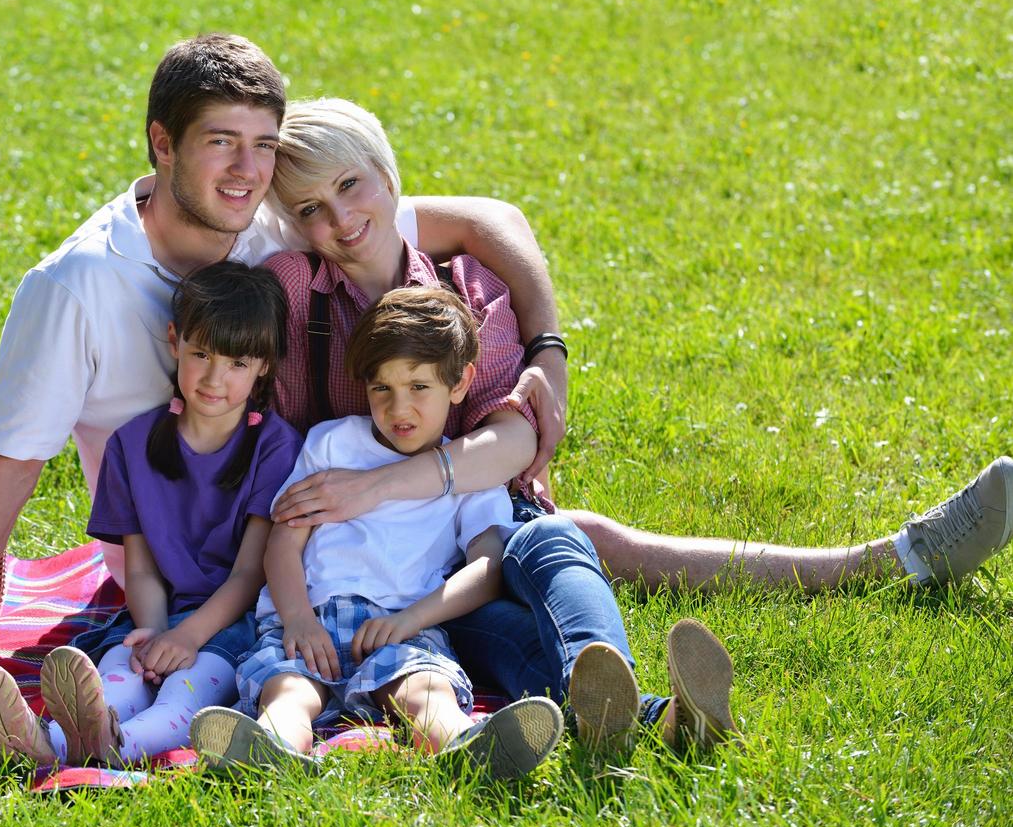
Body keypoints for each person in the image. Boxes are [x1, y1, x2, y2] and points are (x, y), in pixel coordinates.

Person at [252, 96, 1011, 736]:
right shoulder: (292, 292)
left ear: (389, 182)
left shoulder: (465, 285)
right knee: (522, 630)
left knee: (563, 537)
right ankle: (652, 719)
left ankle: (884, 560)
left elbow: (511, 437)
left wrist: (382, 487)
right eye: (311, 210)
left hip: (472, 539)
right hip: (369, 574)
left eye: (352, 187)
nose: (341, 220)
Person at [0, 34, 571, 644]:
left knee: (534, 544)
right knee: (519, 562)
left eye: (263, 145)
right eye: (220, 142)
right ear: (162, 144)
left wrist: (547, 351)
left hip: (319, 524)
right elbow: (11, 464)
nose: (246, 170)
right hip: (178, 578)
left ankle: (628, 664)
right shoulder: (75, 286)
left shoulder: (282, 220)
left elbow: (490, 218)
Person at [189, 288, 736, 780]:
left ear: (461, 383)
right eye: (380, 388)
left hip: (402, 622)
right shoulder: (333, 443)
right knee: (288, 691)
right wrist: (298, 619)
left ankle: (471, 746)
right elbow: (284, 540)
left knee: (427, 695)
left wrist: (412, 618)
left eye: (419, 386)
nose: (398, 407)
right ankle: (270, 749)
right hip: (312, 616)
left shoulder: (468, 473)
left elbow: (489, 567)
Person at [0, 262, 303, 766]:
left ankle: (93, 749)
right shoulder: (132, 445)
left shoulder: (274, 447)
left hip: (231, 626)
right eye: (201, 353)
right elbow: (139, 568)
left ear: (265, 366)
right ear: (173, 340)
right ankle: (49, 737)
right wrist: (155, 632)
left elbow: (251, 574)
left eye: (237, 363)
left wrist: (185, 636)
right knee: (119, 678)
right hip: (150, 614)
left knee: (181, 695)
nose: (214, 378)